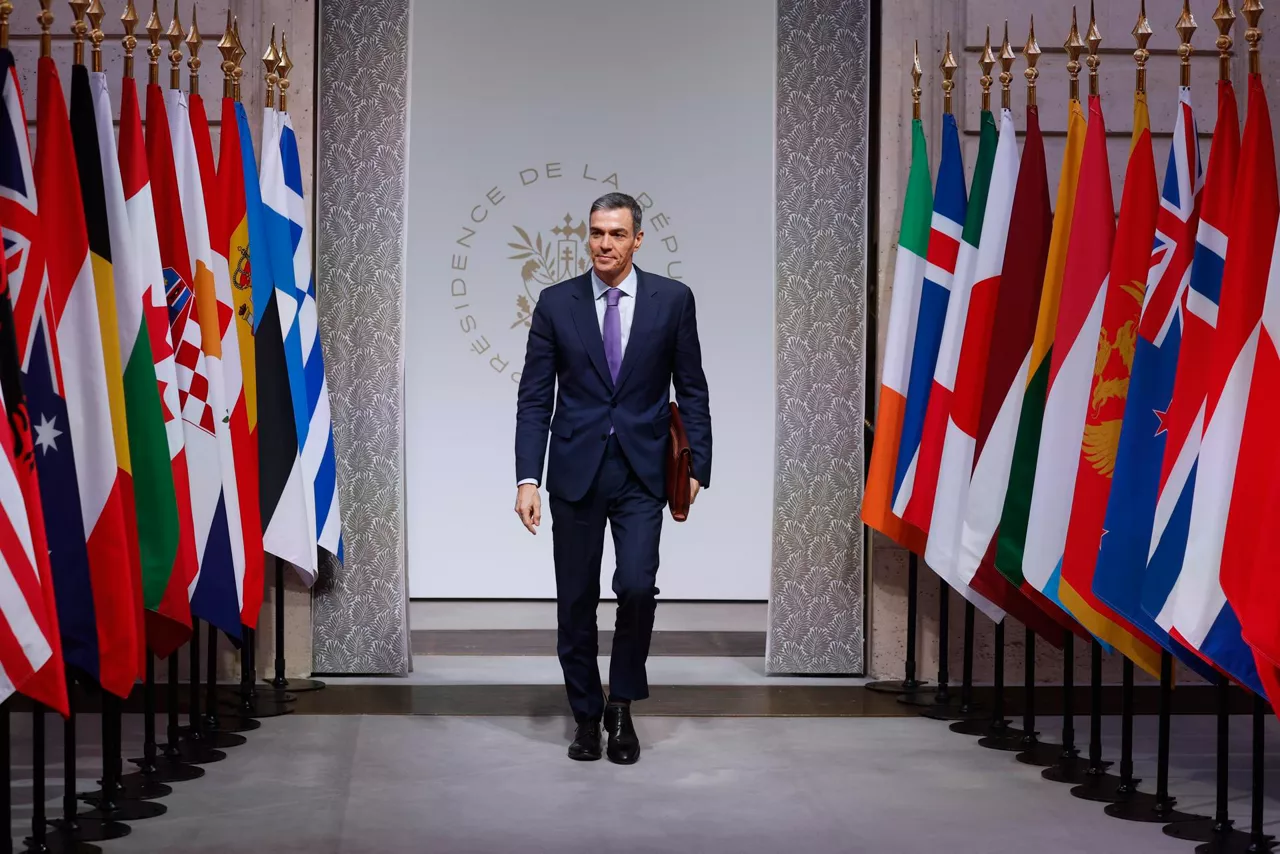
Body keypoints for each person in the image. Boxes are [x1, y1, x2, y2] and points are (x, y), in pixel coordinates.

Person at [513, 192, 712, 764]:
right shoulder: (556, 303)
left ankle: (621, 704)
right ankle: (585, 715)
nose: (605, 244)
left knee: (635, 586)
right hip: (574, 473)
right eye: (597, 233)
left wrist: (697, 460)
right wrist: (528, 478)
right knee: (575, 601)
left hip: (643, 472)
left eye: (617, 234)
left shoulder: (672, 300)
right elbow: (534, 399)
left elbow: (691, 386)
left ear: (638, 239)